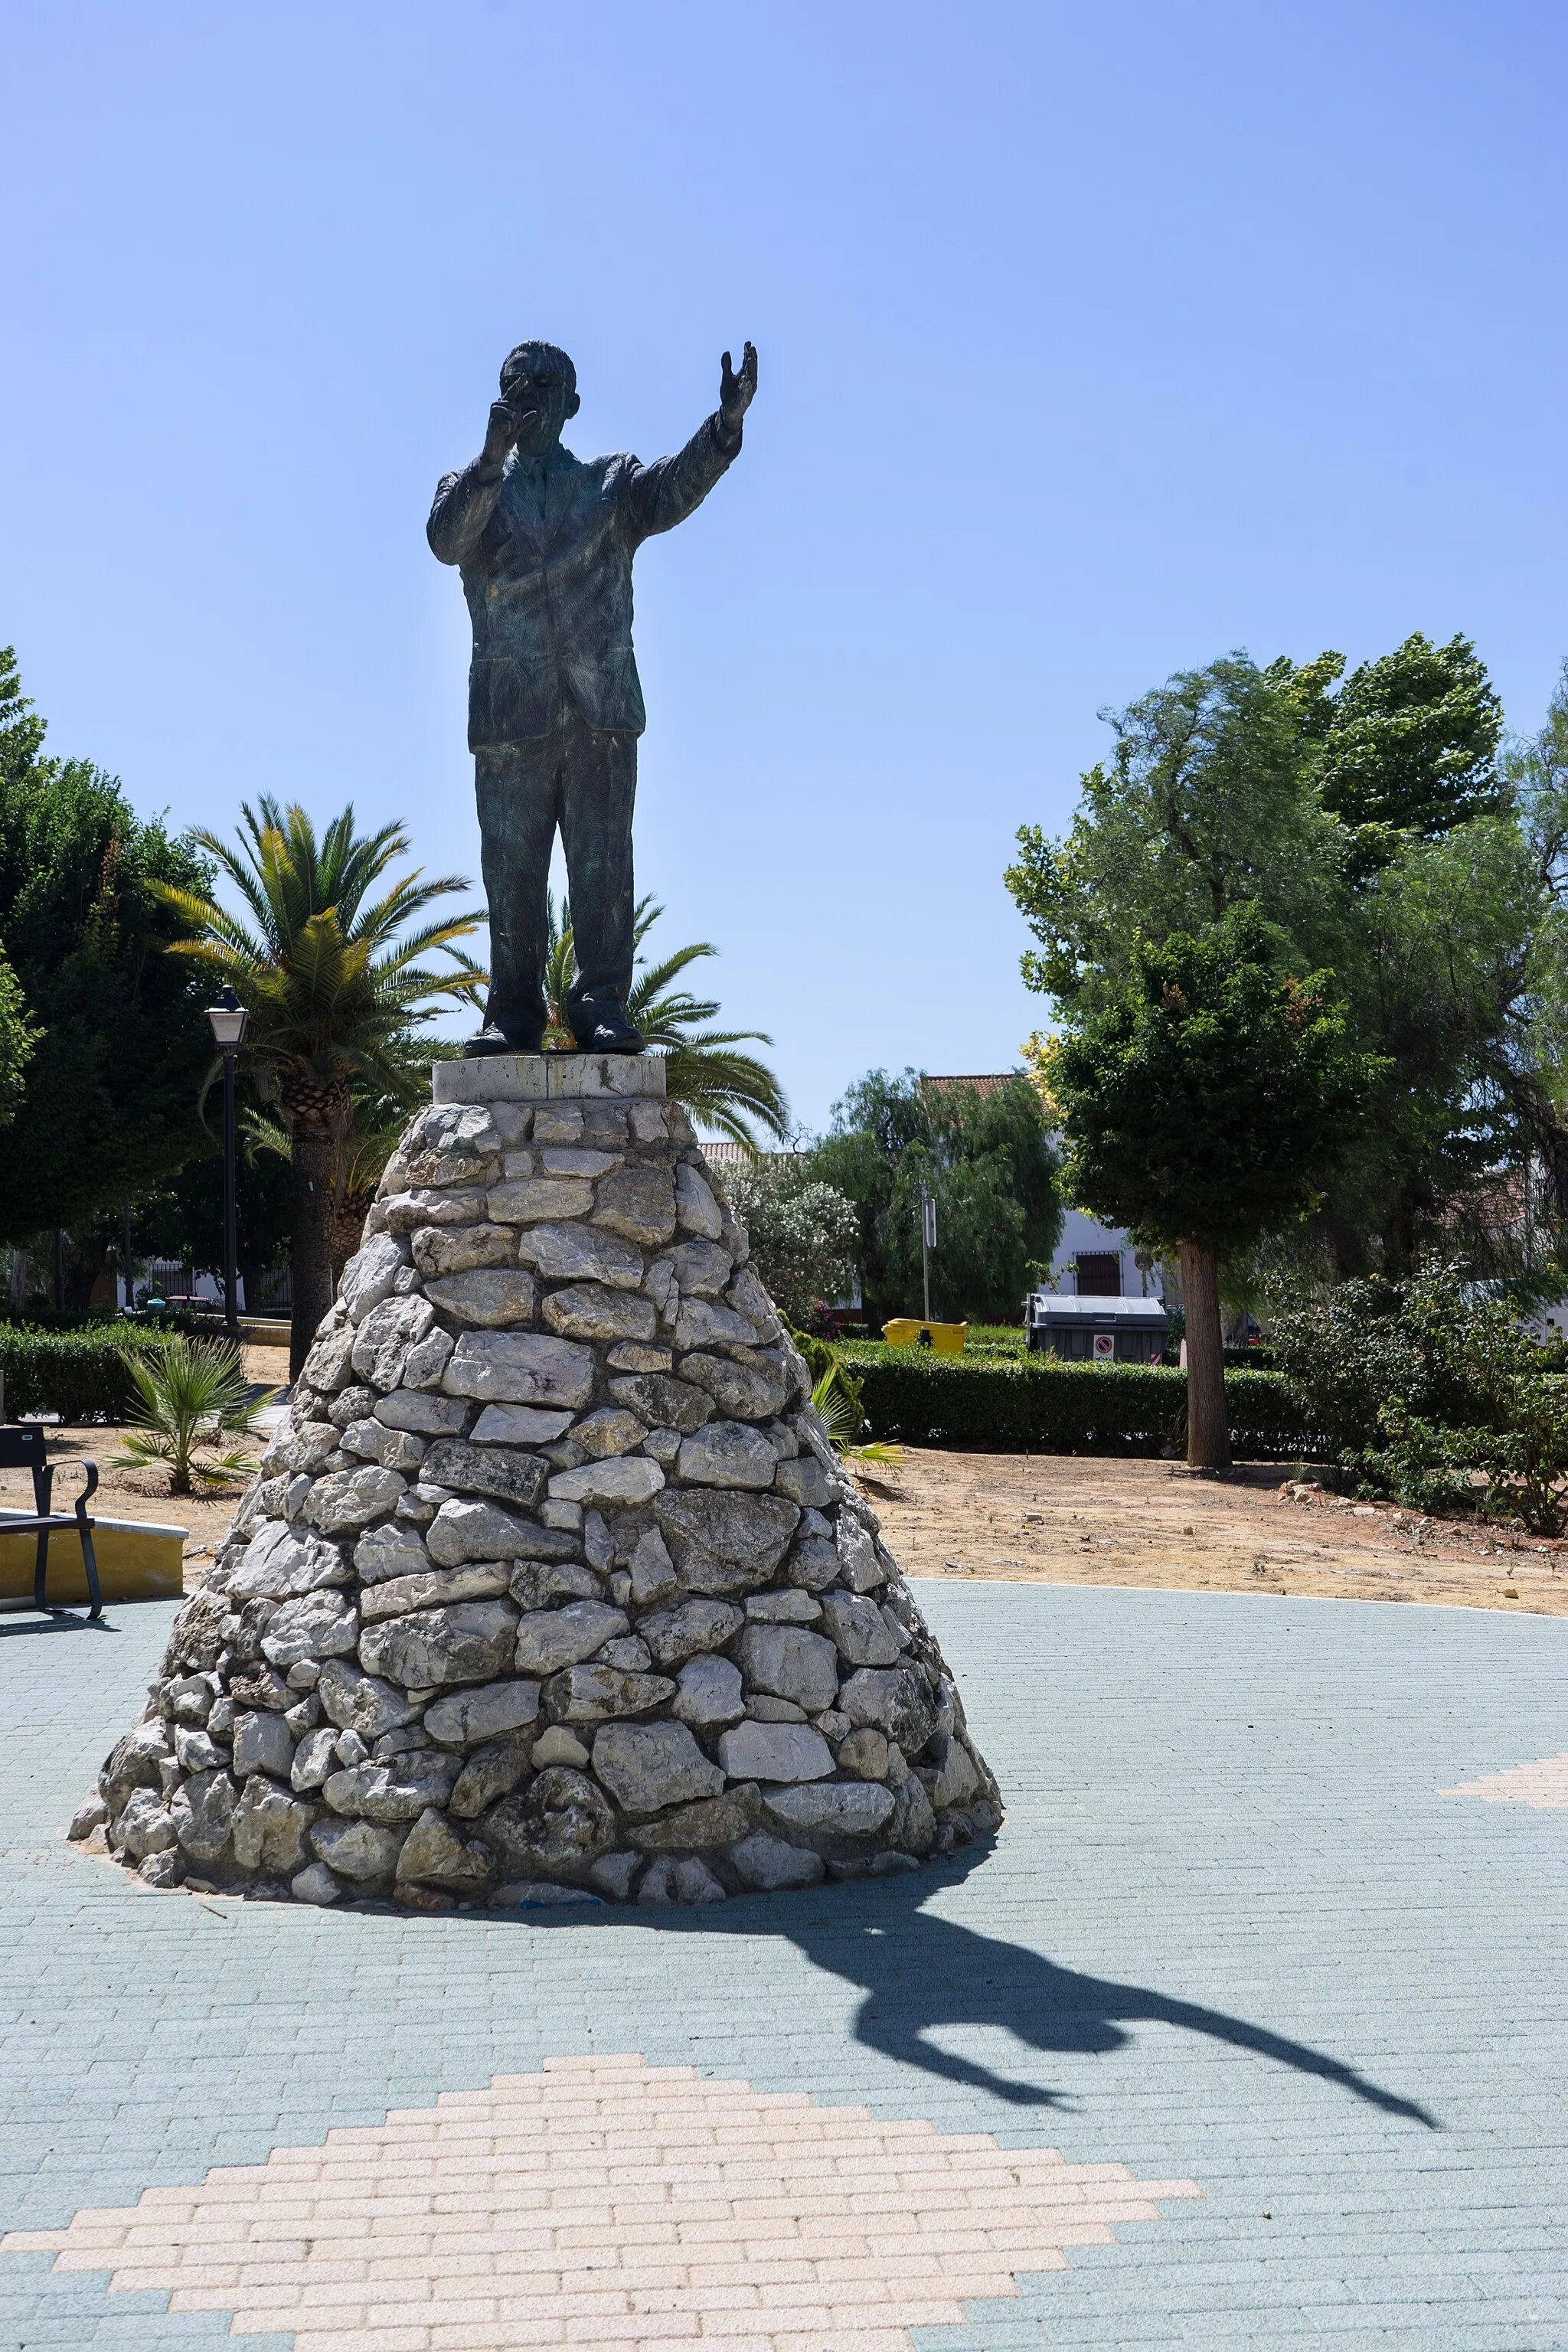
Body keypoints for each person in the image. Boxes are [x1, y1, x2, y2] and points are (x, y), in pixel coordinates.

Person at [428, 338, 757, 1054]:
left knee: (604, 866)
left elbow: (672, 489)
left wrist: (723, 427)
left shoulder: (611, 485)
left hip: (599, 711)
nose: (535, 392)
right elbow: (446, 543)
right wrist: (489, 462)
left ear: (572, 404)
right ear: (500, 397)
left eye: (550, 383)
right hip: (511, 715)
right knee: (511, 874)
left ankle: (601, 1003)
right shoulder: (472, 490)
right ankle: (511, 1011)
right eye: (521, 381)